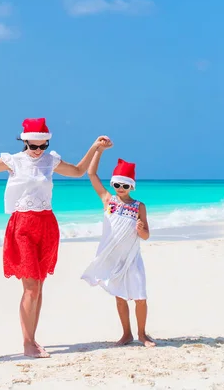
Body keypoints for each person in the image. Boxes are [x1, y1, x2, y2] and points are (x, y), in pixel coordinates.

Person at [0, 117, 110, 358]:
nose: (37, 150)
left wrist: (95, 147)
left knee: (40, 285)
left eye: (42, 145)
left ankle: (33, 339)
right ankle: (27, 343)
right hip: (22, 226)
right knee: (31, 288)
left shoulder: (50, 161)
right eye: (33, 146)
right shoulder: (13, 161)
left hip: (46, 225)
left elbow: (77, 171)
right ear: (24, 142)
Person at [80, 148, 156, 347]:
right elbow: (91, 173)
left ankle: (142, 334)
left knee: (140, 296)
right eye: (116, 184)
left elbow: (146, 235)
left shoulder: (139, 206)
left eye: (124, 185)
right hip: (113, 258)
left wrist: (140, 230)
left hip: (132, 258)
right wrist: (99, 150)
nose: (120, 188)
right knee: (120, 297)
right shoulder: (108, 200)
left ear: (131, 186)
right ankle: (126, 334)